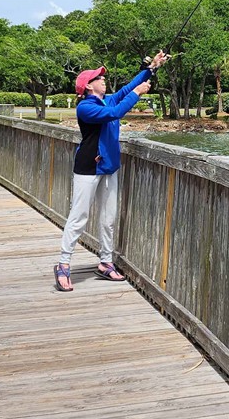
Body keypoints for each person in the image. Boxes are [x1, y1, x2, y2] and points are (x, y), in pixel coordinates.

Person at [54, 50, 169, 291]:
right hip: (88, 167)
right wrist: (138, 93)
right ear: (88, 86)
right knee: (79, 217)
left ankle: (105, 262)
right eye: (99, 78)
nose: (103, 80)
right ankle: (63, 264)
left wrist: (152, 68)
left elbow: (128, 88)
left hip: (109, 167)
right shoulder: (86, 107)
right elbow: (115, 113)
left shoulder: (107, 99)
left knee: (108, 219)